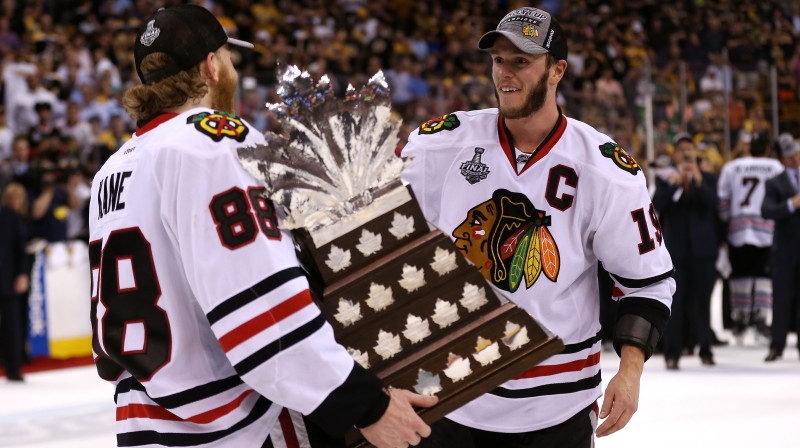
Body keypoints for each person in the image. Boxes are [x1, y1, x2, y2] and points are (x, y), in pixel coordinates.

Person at [88, 5, 435, 447]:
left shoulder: (112, 170)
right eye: (229, 59)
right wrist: (364, 405)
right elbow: (261, 313)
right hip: (239, 428)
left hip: (148, 425)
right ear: (211, 66)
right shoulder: (215, 144)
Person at [399, 7, 674, 447]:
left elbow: (647, 284)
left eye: (521, 61)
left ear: (556, 70)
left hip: (557, 404)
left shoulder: (604, 168)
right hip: (446, 395)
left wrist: (630, 370)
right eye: (498, 60)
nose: (505, 73)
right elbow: (382, 244)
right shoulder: (442, 144)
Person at [653, 133, 719, 369]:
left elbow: (714, 204)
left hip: (703, 250)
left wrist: (698, 179)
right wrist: (676, 183)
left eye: (689, 150)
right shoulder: (665, 180)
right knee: (675, 303)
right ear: (675, 154)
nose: (686, 154)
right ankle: (672, 353)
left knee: (702, 302)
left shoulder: (708, 178)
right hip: (677, 250)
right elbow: (657, 204)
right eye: (682, 150)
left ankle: (706, 349)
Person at [717, 132, 782, 344]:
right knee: (763, 274)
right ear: (767, 149)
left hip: (739, 227)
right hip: (767, 228)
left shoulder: (732, 167)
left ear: (748, 148)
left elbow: (723, 199)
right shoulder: (775, 167)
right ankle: (761, 319)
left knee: (740, 274)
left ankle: (740, 320)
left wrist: (726, 222)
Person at [760, 134, 800, 362]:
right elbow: (766, 210)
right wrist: (791, 204)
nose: (795, 158)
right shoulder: (774, 182)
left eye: (796, 153)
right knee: (782, 298)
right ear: (782, 158)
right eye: (790, 155)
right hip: (785, 249)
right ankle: (778, 344)